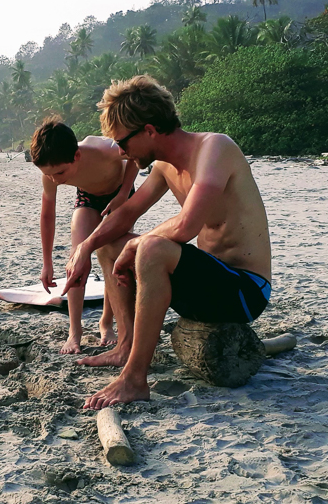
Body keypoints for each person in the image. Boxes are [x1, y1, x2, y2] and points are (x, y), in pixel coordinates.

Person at [61, 75, 272, 410]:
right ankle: (125, 346)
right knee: (110, 241)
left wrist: (138, 244)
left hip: (244, 291)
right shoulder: (163, 166)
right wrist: (85, 247)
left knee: (151, 247)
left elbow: (188, 224)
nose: (120, 152)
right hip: (206, 284)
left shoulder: (214, 149)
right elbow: (126, 213)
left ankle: (134, 379)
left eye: (123, 142)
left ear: (149, 130)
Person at [30, 118, 138, 354]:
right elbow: (47, 215)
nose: (56, 180)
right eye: (49, 175)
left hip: (121, 195)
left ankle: (106, 322)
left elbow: (134, 155)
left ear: (76, 157)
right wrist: (46, 263)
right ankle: (74, 331)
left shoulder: (103, 149)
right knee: (77, 259)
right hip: (88, 198)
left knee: (111, 257)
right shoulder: (51, 171)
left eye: (60, 173)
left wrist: (122, 193)